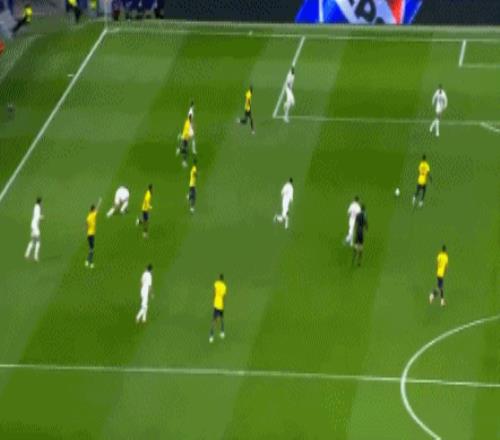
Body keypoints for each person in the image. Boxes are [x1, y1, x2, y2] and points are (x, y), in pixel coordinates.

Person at [209, 273, 227, 343]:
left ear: (219, 278)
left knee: (214, 320)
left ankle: (211, 335)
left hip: (216, 304)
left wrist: (214, 299)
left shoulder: (216, 283)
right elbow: (224, 296)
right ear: (223, 279)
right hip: (221, 305)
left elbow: (214, 292)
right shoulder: (224, 286)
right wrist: (223, 303)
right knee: (221, 318)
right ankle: (222, 332)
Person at [25, 197, 43, 262]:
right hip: (35, 226)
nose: (42, 203)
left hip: (33, 225)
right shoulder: (38, 208)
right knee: (38, 241)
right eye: (41, 202)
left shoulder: (36, 206)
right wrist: (41, 217)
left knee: (33, 241)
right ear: (40, 202)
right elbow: (37, 216)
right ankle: (35, 256)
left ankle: (27, 254)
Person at [85, 202, 99, 269]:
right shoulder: (94, 214)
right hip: (92, 234)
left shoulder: (88, 217)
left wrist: (87, 229)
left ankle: (87, 261)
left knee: (91, 249)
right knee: (92, 249)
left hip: (88, 234)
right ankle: (91, 263)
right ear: (93, 209)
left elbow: (86, 226)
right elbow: (97, 210)